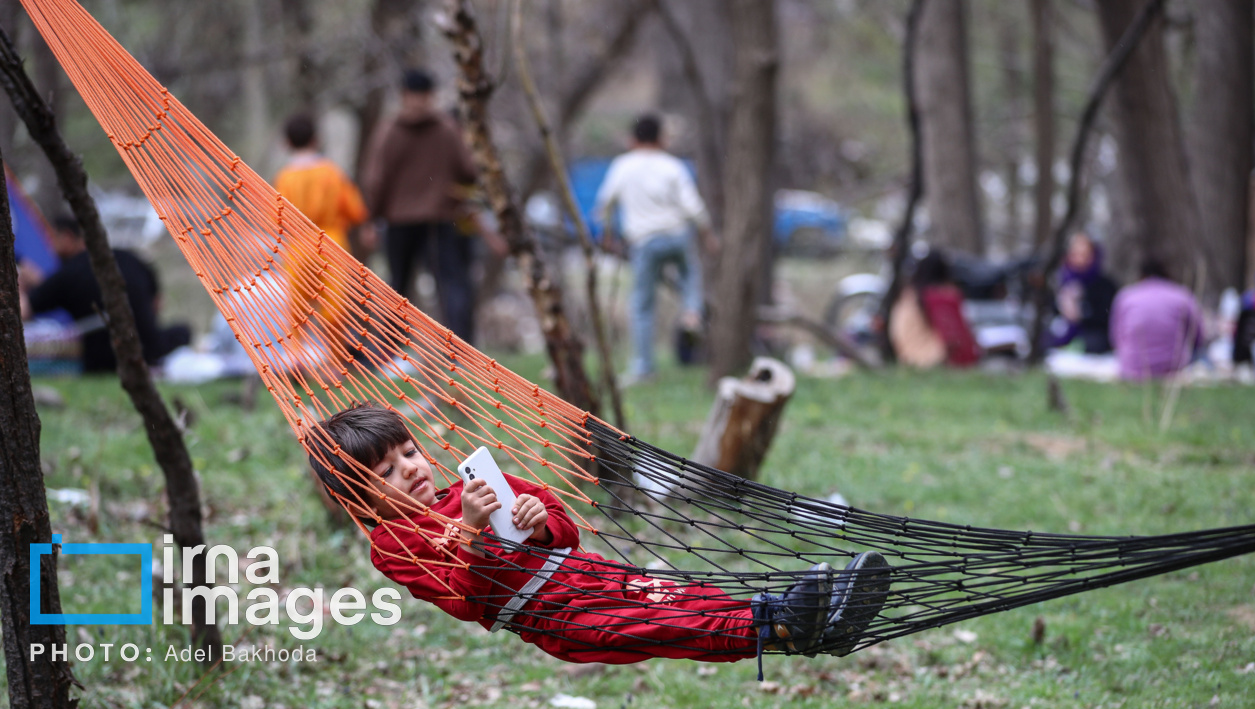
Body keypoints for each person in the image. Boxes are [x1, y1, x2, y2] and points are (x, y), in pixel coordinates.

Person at [308, 403, 890, 670]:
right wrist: (470, 534)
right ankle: (784, 626)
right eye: (385, 471)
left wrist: (539, 517)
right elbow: (462, 597)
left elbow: (562, 527)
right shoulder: (392, 545)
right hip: (553, 615)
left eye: (409, 452)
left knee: (686, 599)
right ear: (359, 498)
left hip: (587, 575)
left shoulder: (476, 483)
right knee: (669, 627)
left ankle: (801, 619)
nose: (410, 468)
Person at [595, 114, 719, 383]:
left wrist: (606, 235)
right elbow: (693, 206)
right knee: (690, 278)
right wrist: (708, 234)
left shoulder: (623, 166)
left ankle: (643, 367)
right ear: (661, 139)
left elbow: (604, 203)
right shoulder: (672, 166)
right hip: (676, 234)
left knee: (642, 303)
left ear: (632, 139)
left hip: (644, 241)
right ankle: (691, 314)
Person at [361, 69, 479, 342]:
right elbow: (469, 170)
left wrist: (372, 218)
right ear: (432, 96)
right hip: (438, 219)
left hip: (399, 220)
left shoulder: (388, 130)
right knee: (449, 285)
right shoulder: (448, 129)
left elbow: (376, 179)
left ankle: (389, 350)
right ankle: (461, 349)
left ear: (404, 95)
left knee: (398, 287)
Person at [19, 216, 189, 373]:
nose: (50, 247)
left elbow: (22, 311)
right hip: (148, 349)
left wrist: (17, 281)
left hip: (102, 361)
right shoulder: (129, 258)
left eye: (53, 239)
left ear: (67, 238)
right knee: (183, 330)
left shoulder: (67, 275)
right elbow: (157, 303)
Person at [274, 112, 373, 355]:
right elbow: (354, 209)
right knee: (335, 305)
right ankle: (336, 360)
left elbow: (276, 219)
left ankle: (296, 358)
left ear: (287, 143)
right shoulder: (331, 173)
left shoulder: (284, 178)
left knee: (298, 307)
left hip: (297, 248)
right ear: (316, 140)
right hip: (330, 244)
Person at [1110, 258, 1203, 381]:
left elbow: (1115, 339)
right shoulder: (1182, 295)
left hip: (1132, 370)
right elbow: (1198, 337)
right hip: (1174, 370)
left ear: (1140, 275)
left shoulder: (1125, 296)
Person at [888, 249, 981, 368]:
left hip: (906, 355)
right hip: (930, 358)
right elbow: (954, 335)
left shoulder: (908, 295)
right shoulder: (939, 296)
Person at [1050, 233, 1117, 354]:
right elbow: (1051, 314)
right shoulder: (1060, 281)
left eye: (1085, 254)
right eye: (1075, 254)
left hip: (1094, 339)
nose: (1080, 259)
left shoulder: (1105, 285)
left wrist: (1080, 314)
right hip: (1064, 335)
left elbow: (1107, 318)